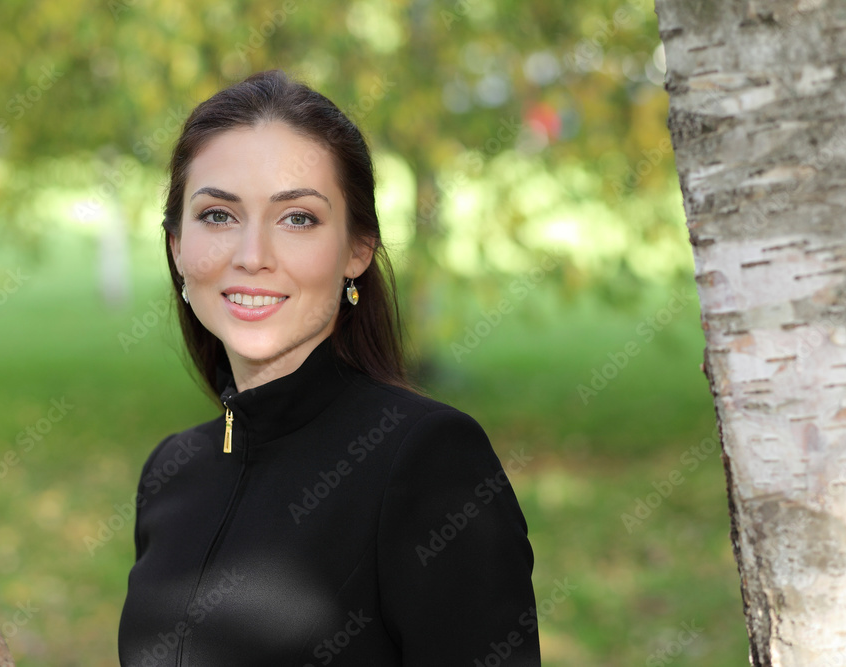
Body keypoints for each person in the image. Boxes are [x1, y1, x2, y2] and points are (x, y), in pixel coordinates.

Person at [118, 69, 540, 666]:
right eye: (218, 215)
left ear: (357, 249)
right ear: (176, 246)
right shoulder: (173, 471)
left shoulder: (428, 461)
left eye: (297, 219)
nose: (252, 257)